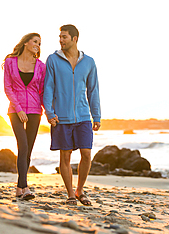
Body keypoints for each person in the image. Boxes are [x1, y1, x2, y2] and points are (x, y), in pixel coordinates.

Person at [43, 24, 101, 206]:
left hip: (83, 116)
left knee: (86, 153)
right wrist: (49, 112)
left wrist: (96, 115)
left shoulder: (89, 62)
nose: (61, 40)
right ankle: (70, 194)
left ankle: (80, 190)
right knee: (65, 156)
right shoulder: (53, 60)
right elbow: (48, 87)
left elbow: (93, 90)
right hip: (61, 117)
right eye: (60, 37)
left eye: (64, 37)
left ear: (74, 39)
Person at [3, 33, 46, 200]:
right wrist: (19, 109)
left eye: (40, 43)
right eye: (35, 41)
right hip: (15, 110)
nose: (37, 45)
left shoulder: (41, 66)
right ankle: (25, 187)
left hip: (35, 111)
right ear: (26, 43)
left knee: (28, 149)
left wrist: (49, 112)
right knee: (23, 145)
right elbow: (8, 87)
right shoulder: (10, 62)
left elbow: (41, 91)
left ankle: (19, 188)